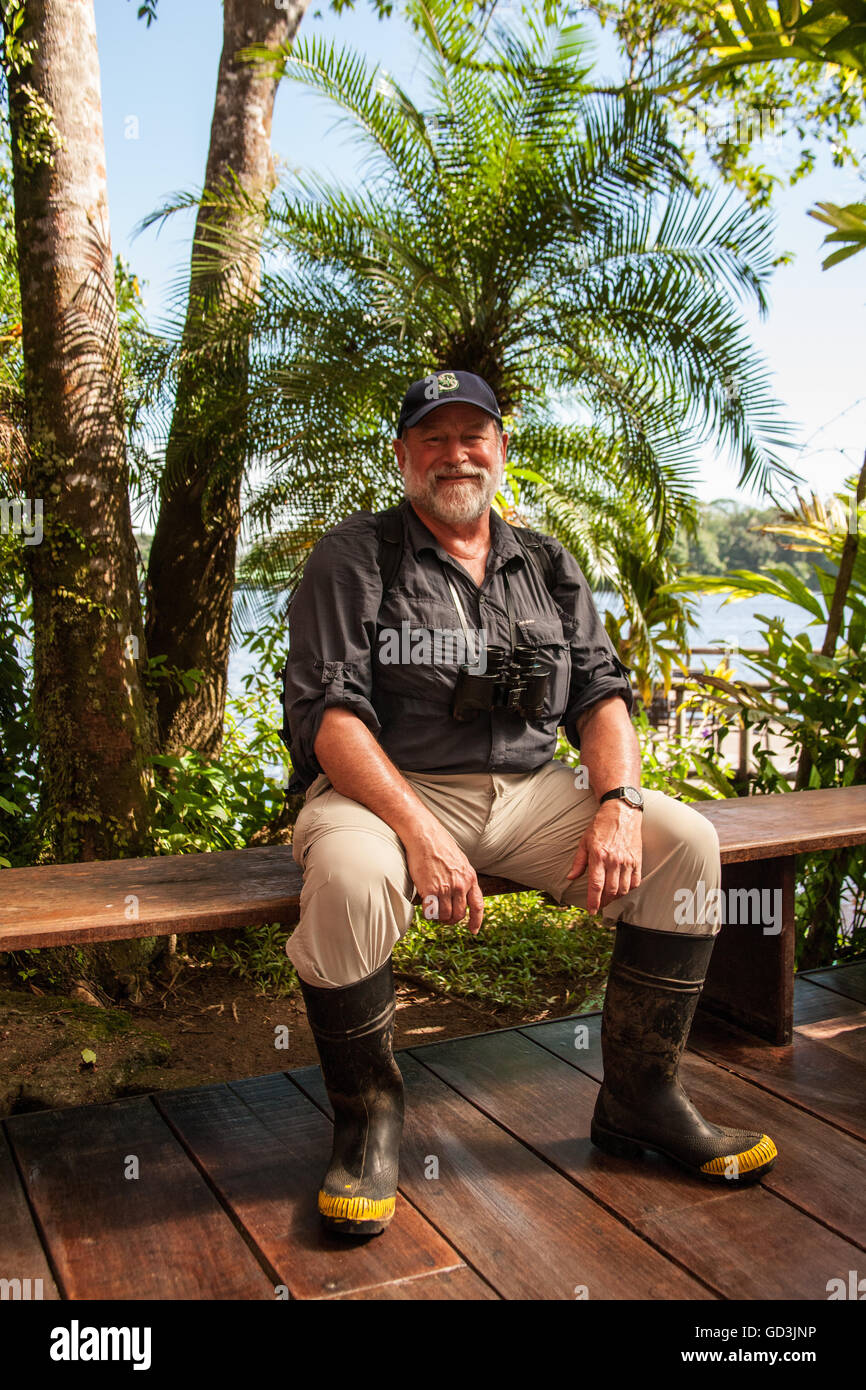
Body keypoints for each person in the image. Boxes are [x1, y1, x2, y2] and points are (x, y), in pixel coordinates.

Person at [282, 369, 778, 1238]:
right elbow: (330, 718)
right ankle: (367, 1122)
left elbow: (603, 693)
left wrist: (618, 798)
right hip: (387, 796)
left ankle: (641, 1098)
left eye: (472, 435)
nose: (454, 454)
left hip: (531, 792)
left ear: (501, 451)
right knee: (354, 880)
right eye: (432, 439)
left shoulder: (545, 562)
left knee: (686, 843)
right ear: (403, 457)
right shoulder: (355, 555)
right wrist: (420, 831)